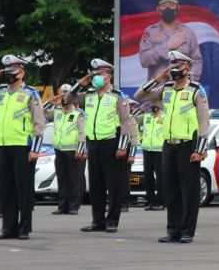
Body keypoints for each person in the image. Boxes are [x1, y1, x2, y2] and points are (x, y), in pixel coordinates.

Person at [138, 50, 212, 244]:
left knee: (188, 190)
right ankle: (173, 230)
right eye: (171, 67)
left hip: (188, 145)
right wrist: (157, 79)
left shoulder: (196, 90)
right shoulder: (167, 89)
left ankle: (187, 230)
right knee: (171, 190)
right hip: (168, 145)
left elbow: (204, 122)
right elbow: (141, 95)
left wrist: (200, 149)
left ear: (187, 69)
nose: (173, 71)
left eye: (177, 67)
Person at [0, 56, 46, 240]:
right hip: (3, 146)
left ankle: (24, 229)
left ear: (21, 72)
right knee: (6, 189)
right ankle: (8, 229)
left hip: (23, 146)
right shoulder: (0, 92)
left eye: (12, 72)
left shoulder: (31, 93)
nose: (8, 75)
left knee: (23, 189)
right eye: (6, 72)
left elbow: (39, 123)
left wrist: (35, 149)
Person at [66, 59, 137, 234]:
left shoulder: (117, 96)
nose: (96, 78)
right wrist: (79, 83)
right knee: (96, 184)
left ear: (108, 76)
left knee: (113, 184)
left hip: (112, 143)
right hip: (94, 143)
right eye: (94, 74)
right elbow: (67, 99)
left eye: (99, 75)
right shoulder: (89, 95)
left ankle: (112, 220)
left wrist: (122, 146)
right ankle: (97, 220)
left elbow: (125, 122)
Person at [137, 0, 204, 82]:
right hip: (157, 92)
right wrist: (167, 46)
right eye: (164, 5)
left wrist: (189, 81)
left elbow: (197, 61)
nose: (168, 8)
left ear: (178, 7)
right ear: (158, 9)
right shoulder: (150, 32)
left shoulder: (188, 33)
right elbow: (144, 60)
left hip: (181, 92)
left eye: (172, 5)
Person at [51, 85, 86, 215]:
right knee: (62, 179)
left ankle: (73, 206)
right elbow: (40, 111)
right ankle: (62, 206)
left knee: (74, 179)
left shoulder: (78, 114)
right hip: (59, 150)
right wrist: (52, 101)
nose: (64, 97)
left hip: (73, 151)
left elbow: (83, 133)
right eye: (62, 94)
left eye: (66, 94)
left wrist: (80, 150)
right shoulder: (57, 112)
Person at [138, 102, 165, 211]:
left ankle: (160, 201)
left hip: (160, 150)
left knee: (161, 177)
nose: (154, 106)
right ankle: (150, 200)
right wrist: (141, 110)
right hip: (147, 150)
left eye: (156, 103)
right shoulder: (146, 116)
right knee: (148, 176)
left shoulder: (165, 117)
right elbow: (131, 120)